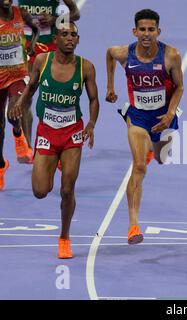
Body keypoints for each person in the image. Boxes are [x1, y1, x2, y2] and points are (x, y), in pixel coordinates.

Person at [9, 21, 100, 259]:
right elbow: (31, 86)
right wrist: (20, 102)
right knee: (40, 190)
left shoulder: (86, 67)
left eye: (74, 35)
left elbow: (93, 99)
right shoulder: (42, 61)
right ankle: (53, 163)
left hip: (72, 133)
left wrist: (91, 124)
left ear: (78, 40)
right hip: (47, 132)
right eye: (64, 34)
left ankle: (64, 237)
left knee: (67, 189)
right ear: (56, 40)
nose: (70, 38)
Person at [105, 9, 184, 245]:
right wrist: (110, 86)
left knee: (161, 157)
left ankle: (151, 149)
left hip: (163, 118)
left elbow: (179, 87)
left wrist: (170, 113)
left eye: (151, 30)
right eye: (142, 29)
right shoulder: (124, 54)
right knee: (139, 166)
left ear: (158, 31)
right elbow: (109, 53)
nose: (147, 34)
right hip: (137, 116)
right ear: (135, 31)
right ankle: (133, 225)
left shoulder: (171, 55)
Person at [18, 0, 80, 150]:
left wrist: (55, 19)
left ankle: (59, 144)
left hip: (50, 49)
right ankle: (28, 148)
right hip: (26, 49)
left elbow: (75, 13)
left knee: (54, 99)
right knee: (26, 99)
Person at [0, 0, 38, 191]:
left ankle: (18, 134)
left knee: (13, 113)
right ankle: (1, 166)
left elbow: (35, 29)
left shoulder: (21, 13)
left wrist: (31, 43)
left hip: (17, 74)